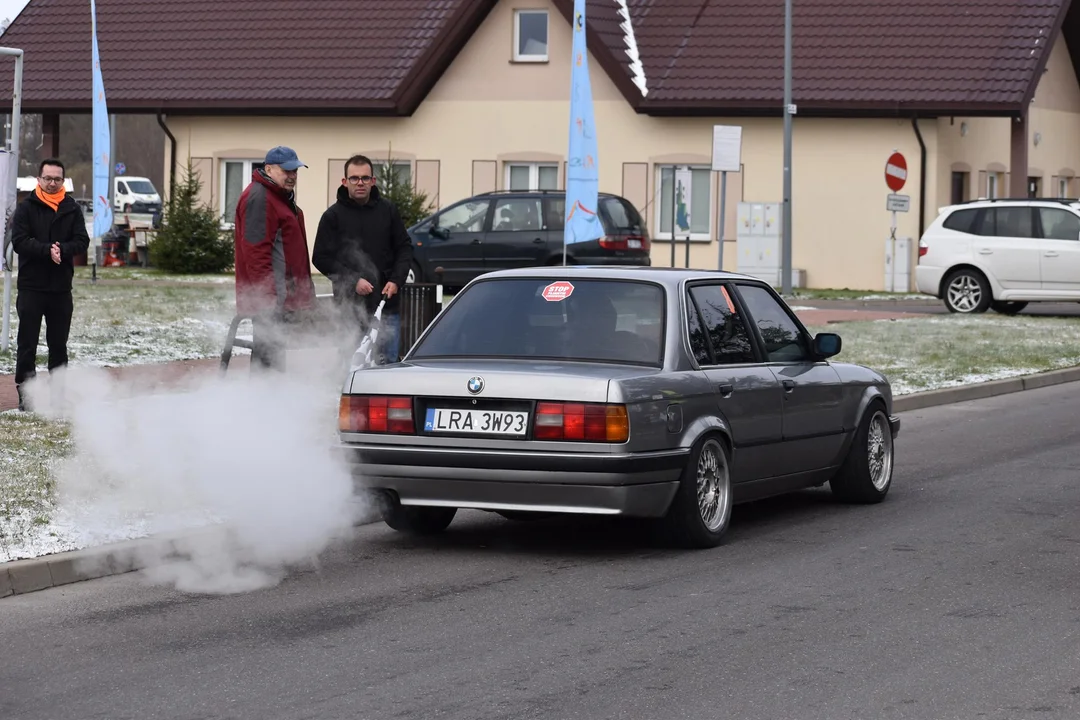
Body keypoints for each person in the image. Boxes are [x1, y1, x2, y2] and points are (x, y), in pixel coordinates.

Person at [312, 154, 413, 365]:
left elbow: (404, 248)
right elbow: (320, 257)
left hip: (387, 306)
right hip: (349, 308)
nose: (360, 183)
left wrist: (396, 280)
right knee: (351, 366)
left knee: (388, 364)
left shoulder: (388, 211)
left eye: (365, 178)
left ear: (373, 181)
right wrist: (353, 280)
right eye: (354, 178)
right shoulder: (332, 217)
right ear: (344, 181)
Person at [10, 158, 89, 412]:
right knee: (27, 345)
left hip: (60, 289)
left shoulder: (72, 208)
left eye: (57, 179)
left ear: (63, 180)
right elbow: (20, 242)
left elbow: (81, 241)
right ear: (39, 180)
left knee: (58, 345)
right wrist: (47, 251)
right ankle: (27, 397)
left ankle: (58, 396)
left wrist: (62, 249)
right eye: (48, 178)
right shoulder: (26, 208)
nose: (53, 183)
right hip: (31, 288)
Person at [233, 146, 317, 371]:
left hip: (282, 297)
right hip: (271, 300)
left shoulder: (279, 197)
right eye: (286, 171)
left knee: (275, 357)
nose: (292, 176)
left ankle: (272, 400)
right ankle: (263, 402)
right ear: (268, 169)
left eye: (295, 171)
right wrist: (267, 299)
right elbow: (256, 253)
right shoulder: (260, 198)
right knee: (267, 360)